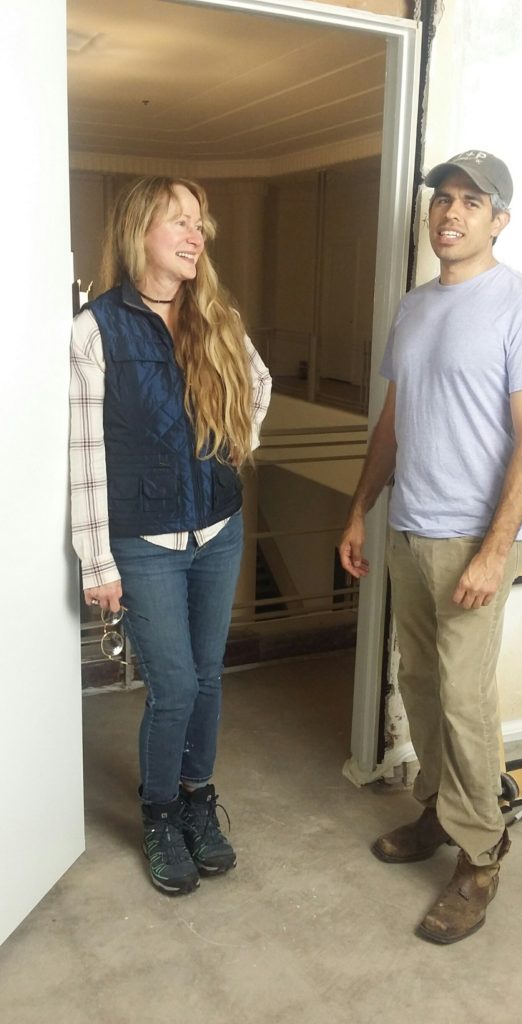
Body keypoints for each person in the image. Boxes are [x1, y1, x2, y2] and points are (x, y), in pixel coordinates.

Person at [339, 151, 522, 944]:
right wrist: (360, 509)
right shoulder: (414, 307)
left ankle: (482, 852)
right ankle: (438, 809)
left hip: (474, 538)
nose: (451, 212)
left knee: (466, 702)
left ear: (498, 220)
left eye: (472, 202)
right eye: (444, 198)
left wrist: (495, 550)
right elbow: (394, 424)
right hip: (409, 527)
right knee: (422, 682)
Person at [70, 176, 272, 896]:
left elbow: (259, 386)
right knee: (176, 684)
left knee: (209, 676)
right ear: (138, 233)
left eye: (200, 223)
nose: (196, 235)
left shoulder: (215, 315)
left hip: (219, 528)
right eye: (179, 222)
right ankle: (159, 811)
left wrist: (227, 442)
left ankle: (195, 800)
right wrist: (98, 558)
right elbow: (84, 451)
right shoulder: (97, 327)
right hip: (143, 540)